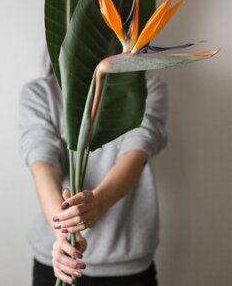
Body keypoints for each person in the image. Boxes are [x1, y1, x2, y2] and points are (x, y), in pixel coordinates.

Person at [19, 68, 168, 286]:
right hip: (59, 259)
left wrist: (98, 203)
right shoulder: (41, 92)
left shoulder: (145, 88)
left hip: (126, 263)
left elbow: (136, 153)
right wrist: (63, 234)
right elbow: (43, 165)